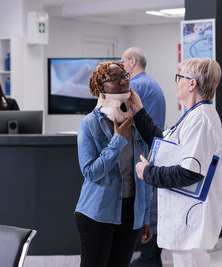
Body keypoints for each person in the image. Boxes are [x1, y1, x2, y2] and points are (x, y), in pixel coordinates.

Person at [131, 58, 222, 267]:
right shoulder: (192, 116)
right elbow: (164, 144)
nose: (177, 82)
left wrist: (147, 172)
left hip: (191, 221)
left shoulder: (201, 121)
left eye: (179, 77)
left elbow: (189, 173)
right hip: (185, 219)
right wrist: (138, 110)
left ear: (192, 83)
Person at [75, 61, 153, 267]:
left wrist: (145, 216)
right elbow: (90, 172)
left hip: (131, 212)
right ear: (101, 87)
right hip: (97, 212)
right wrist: (118, 140)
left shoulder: (136, 121)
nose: (123, 82)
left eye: (125, 76)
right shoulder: (90, 123)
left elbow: (143, 174)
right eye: (115, 78)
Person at [121, 47, 165, 267]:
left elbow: (120, 117)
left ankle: (149, 258)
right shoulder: (153, 85)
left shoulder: (135, 86)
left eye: (122, 62)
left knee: (147, 206)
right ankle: (151, 257)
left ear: (132, 61)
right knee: (152, 206)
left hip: (143, 154)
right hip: (154, 151)